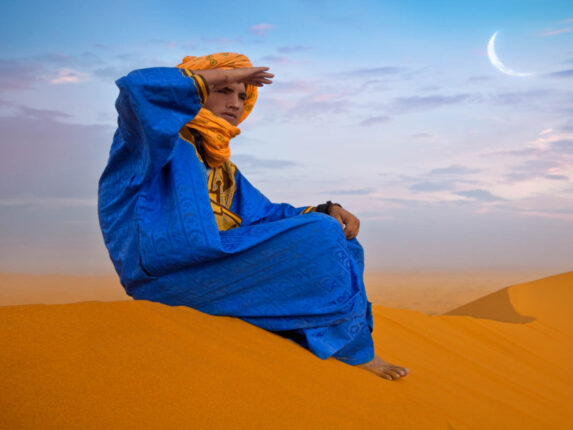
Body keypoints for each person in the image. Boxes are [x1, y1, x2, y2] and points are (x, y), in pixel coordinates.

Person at [98, 52, 409, 381]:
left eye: (242, 96)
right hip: (164, 274)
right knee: (321, 233)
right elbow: (135, 89)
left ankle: (337, 343)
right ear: (199, 89)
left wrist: (327, 210)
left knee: (340, 238)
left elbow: (265, 216)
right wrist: (217, 75)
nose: (235, 103)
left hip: (213, 267)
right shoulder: (150, 141)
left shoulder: (222, 166)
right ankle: (339, 349)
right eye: (223, 91)